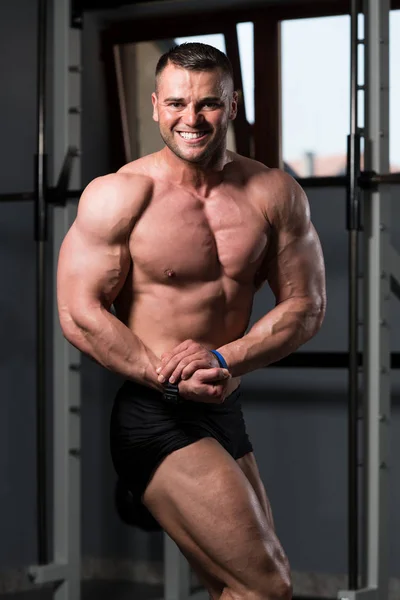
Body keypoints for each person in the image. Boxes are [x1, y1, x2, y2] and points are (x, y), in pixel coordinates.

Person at [57, 42, 326, 600]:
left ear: (232, 104)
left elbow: (307, 305)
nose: (191, 118)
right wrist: (165, 372)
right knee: (268, 586)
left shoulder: (274, 194)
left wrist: (224, 359)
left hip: (224, 405)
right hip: (157, 413)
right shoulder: (119, 196)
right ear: (156, 105)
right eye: (177, 103)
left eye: (207, 104)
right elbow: (79, 312)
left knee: (232, 587)